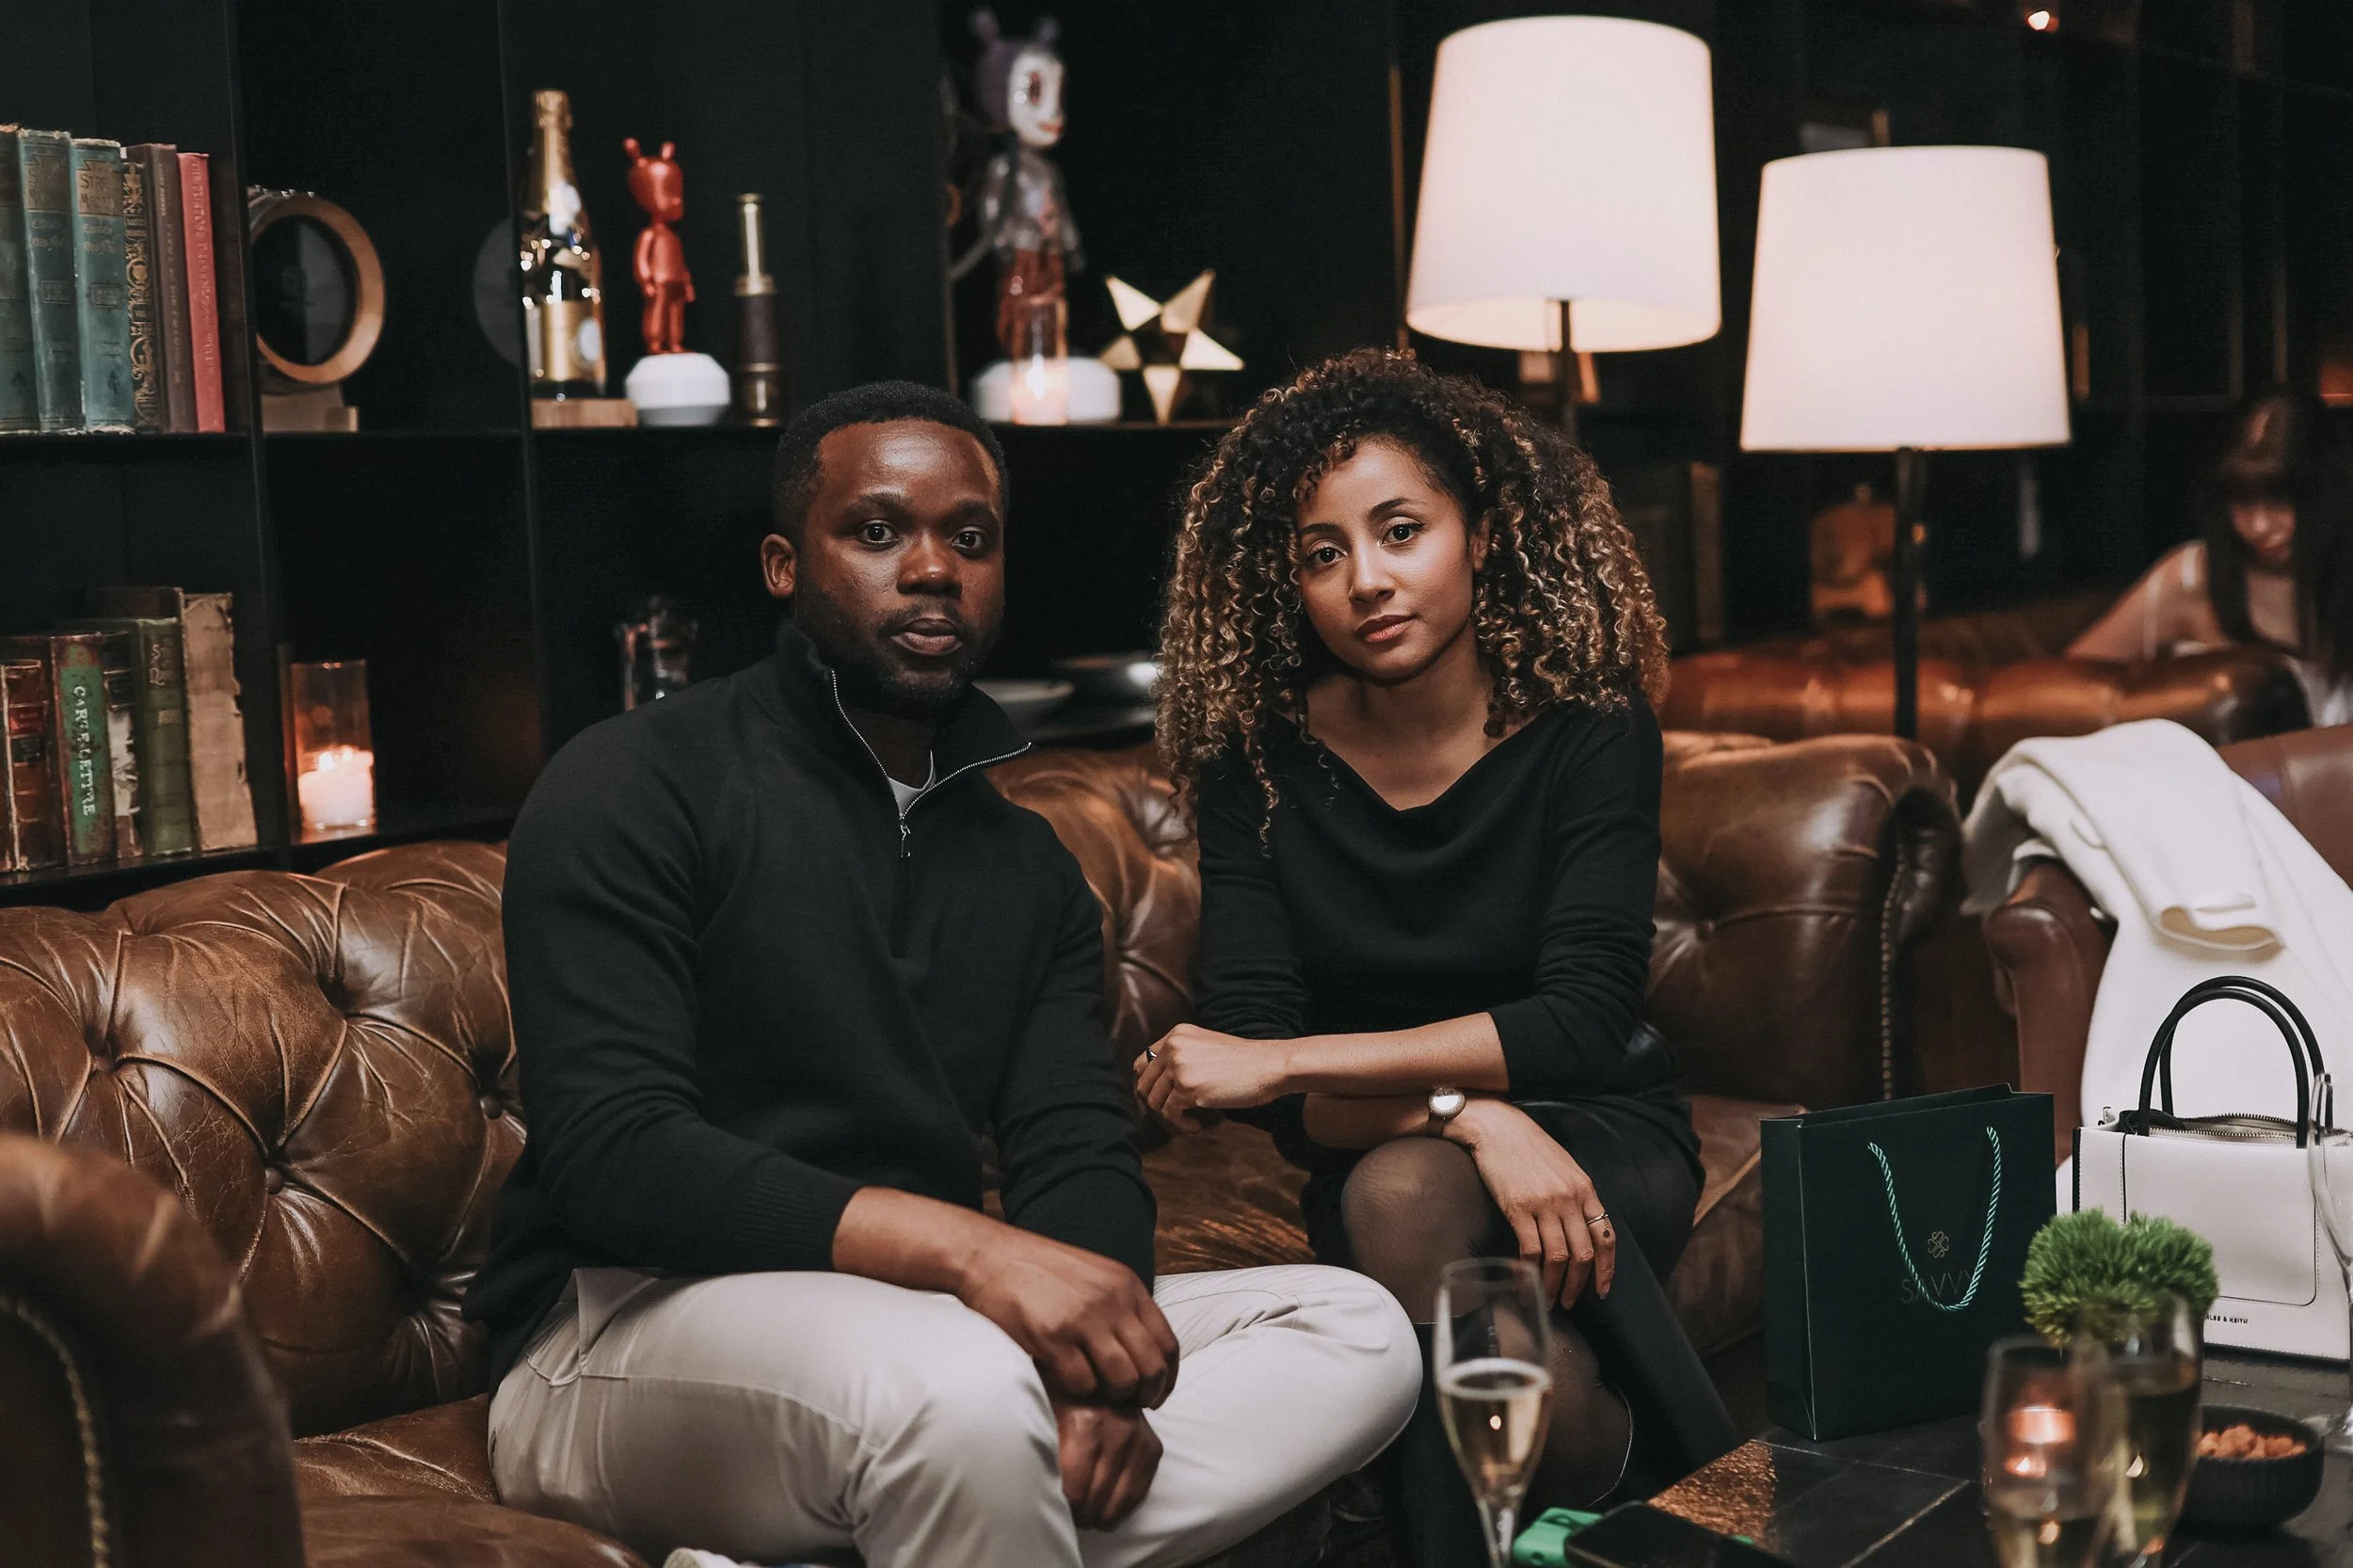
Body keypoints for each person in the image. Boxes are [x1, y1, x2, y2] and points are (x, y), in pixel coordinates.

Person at [463, 380, 1419, 1568]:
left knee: (1355, 1326)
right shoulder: (632, 782)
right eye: (876, 531)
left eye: (970, 538)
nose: (931, 569)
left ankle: (923, 1521)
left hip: (912, 1338)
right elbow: (619, 1156)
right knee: (965, 1392)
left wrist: (1096, 1378)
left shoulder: (1025, 865)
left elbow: (1074, 1149)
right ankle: (957, 1488)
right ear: (783, 566)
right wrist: (974, 1252)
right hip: (619, 1326)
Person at [1136, 349, 1736, 1568]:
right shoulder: (1254, 760)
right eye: (1322, 552)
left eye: (1400, 530)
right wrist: (1469, 1114)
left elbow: (1580, 1017)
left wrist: (1290, 1062)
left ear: (1481, 531)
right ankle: (1652, 1491)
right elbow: (1269, 1069)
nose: (1366, 579)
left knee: (1404, 1200)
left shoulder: (1590, 726)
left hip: (1598, 1117)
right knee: (1409, 1198)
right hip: (1373, 1135)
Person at [2068, 387, 2353, 726]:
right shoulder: (2191, 578)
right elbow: (2068, 686)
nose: (2259, 526)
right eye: (2241, 500)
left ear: (2327, 493)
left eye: (2279, 500)